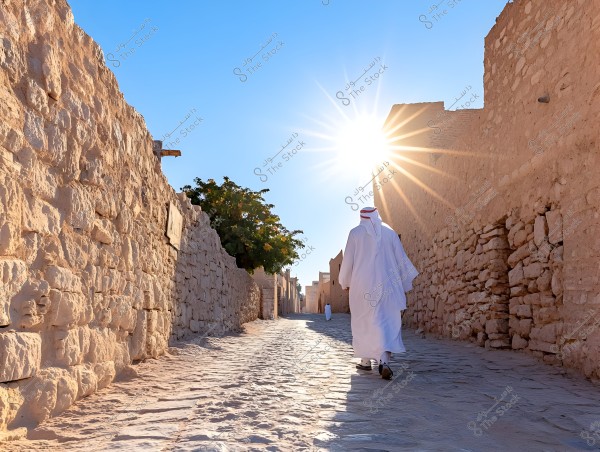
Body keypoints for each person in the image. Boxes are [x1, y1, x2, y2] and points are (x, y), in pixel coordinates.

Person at [339, 207, 418, 380]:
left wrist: (344, 282)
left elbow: (348, 261)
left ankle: (366, 361)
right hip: (388, 283)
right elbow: (401, 258)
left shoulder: (355, 233)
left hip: (362, 286)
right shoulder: (390, 233)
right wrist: (403, 283)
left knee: (365, 321)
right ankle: (384, 361)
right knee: (386, 322)